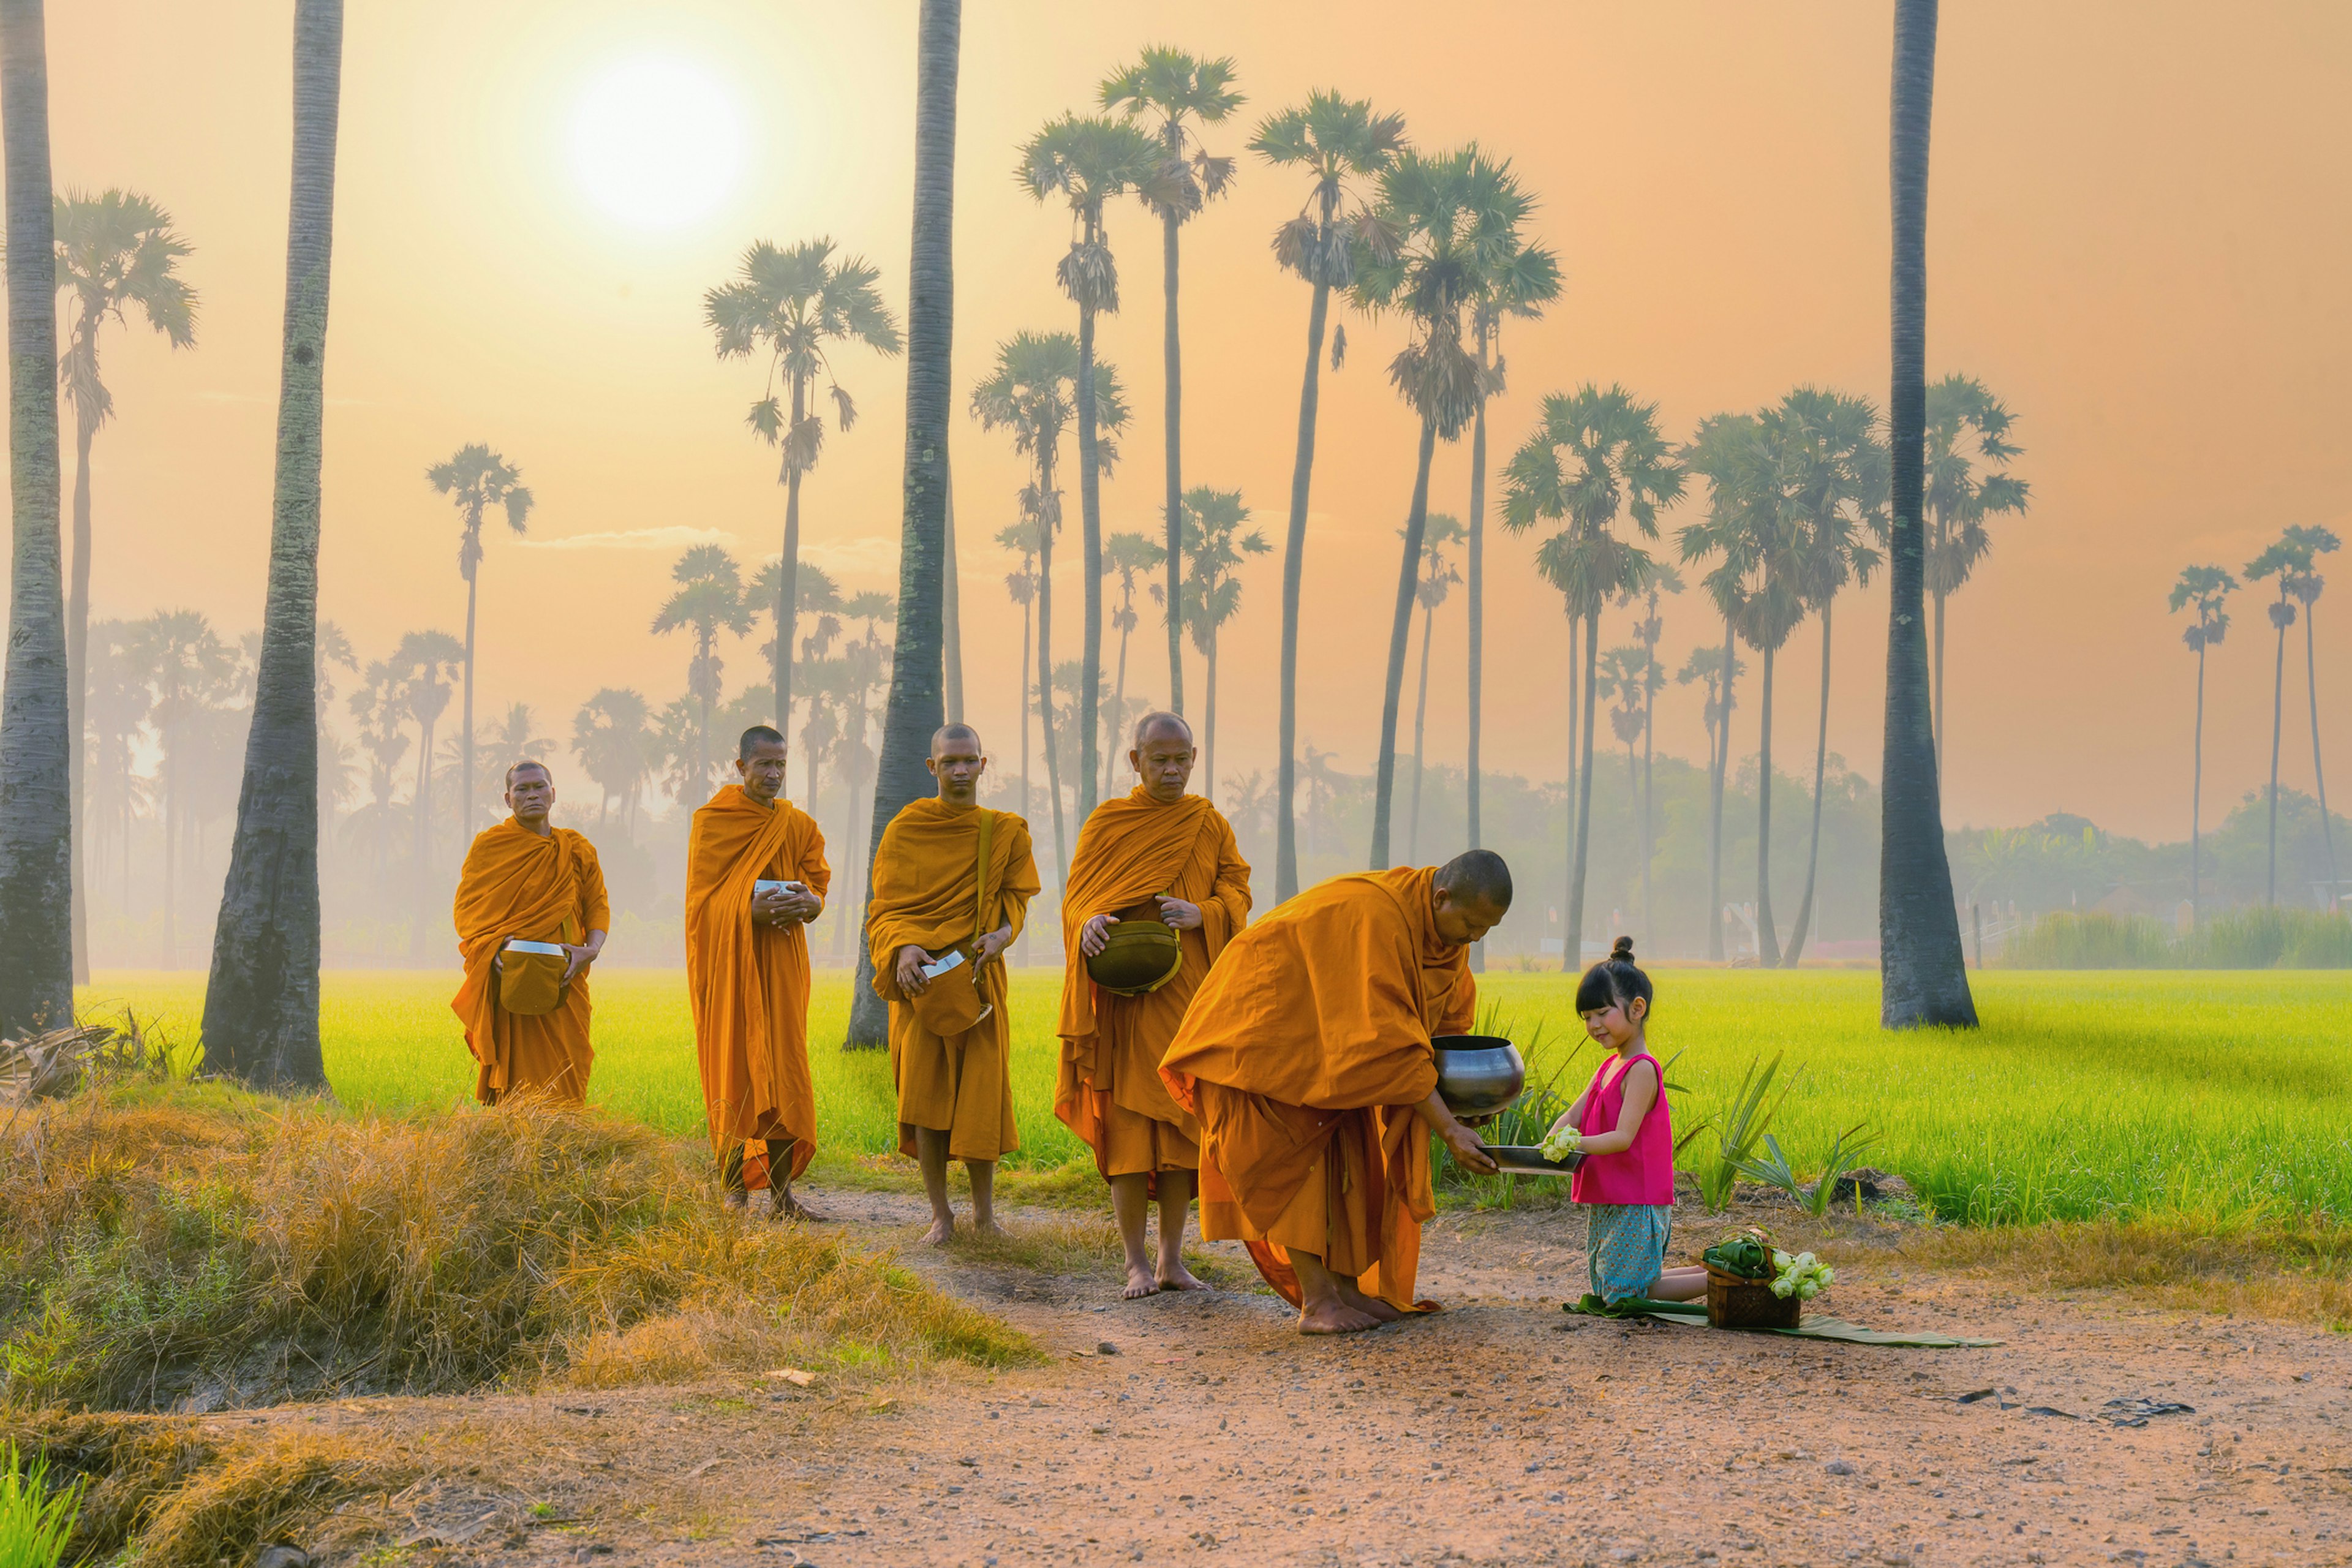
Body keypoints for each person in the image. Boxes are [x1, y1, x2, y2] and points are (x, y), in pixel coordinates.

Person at [1159, 851, 1512, 1335]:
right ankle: (1317, 1301)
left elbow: (1441, 1034)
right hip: (1260, 1027)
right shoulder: (1380, 919)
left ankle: (1345, 1289)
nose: (1474, 938)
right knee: (1291, 1158)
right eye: (1471, 923)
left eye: (1487, 930)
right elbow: (1391, 1041)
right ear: (1442, 897)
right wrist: (1447, 1128)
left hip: (1318, 1041)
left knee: (1345, 1157)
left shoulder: (1442, 938)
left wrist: (1465, 1103)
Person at [1057, 712, 1252, 1299]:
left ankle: (1171, 1259)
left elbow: (1237, 889)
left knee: (1182, 1131)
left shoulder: (1209, 823)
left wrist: (1206, 914)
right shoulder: (1109, 822)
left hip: (1189, 997)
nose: (1171, 770)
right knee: (1129, 1129)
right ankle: (1134, 1263)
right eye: (1158, 759)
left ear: (1195, 757)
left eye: (1181, 758)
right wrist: (1087, 922)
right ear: (1133, 760)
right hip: (1125, 1001)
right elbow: (1076, 900)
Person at [867, 724, 1041, 1245]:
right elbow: (884, 909)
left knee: (981, 1094)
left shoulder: (1005, 830)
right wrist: (901, 948)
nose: (961, 771)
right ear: (932, 768)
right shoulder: (907, 829)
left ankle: (986, 1216)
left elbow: (1015, 902)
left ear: (984, 765)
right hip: (921, 982)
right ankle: (941, 1215)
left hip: (980, 977)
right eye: (950, 763)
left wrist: (1003, 938)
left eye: (969, 761)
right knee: (925, 1096)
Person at [685, 725, 831, 1217]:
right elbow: (701, 905)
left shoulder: (798, 826)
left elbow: (817, 889)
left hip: (784, 965)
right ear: (740, 767)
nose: (773, 775)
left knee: (786, 1071)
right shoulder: (713, 821)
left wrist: (810, 903)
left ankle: (783, 1195)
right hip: (732, 966)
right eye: (764, 765)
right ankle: (733, 1190)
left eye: (781, 765)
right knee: (735, 1069)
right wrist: (749, 912)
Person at [1546, 937, 1704, 1304]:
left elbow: (1622, 1137)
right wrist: (1550, 1141)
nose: (1594, 1024)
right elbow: (1575, 1114)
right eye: (1587, 1017)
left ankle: (1718, 1283)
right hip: (1609, 1194)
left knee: (1624, 1294)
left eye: (1602, 1013)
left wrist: (1572, 1145)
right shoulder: (1607, 1067)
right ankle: (1709, 1274)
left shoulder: (1643, 1070)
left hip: (1636, 1197)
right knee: (1612, 1286)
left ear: (1637, 1009)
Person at [450, 761, 609, 1106]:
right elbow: (468, 912)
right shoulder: (490, 848)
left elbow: (597, 905)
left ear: (553, 794)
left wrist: (591, 949)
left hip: (565, 976)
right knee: (518, 1075)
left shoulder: (577, 848)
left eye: (539, 787)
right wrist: (494, 948)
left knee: (569, 1063)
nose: (532, 794)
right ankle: (516, 1145)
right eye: (522, 789)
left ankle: (563, 1145)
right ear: (508, 800)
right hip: (514, 978)